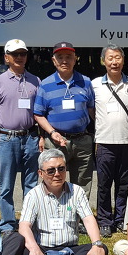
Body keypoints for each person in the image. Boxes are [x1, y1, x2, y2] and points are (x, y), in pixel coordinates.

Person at [18, 149, 108, 255]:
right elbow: (24, 226)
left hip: (71, 251)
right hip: (44, 251)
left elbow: (89, 219)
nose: (57, 174)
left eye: (61, 169)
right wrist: (35, 249)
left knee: (102, 249)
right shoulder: (33, 195)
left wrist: (96, 244)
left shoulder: (77, 191)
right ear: (40, 173)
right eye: (51, 171)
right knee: (23, 249)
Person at [0, 39, 41, 232]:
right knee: (6, 184)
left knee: (31, 183)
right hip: (7, 138)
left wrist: (42, 136)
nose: (19, 57)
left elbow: (40, 112)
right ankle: (8, 223)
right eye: (15, 54)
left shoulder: (36, 81)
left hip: (31, 137)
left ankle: (28, 221)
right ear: (6, 58)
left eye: (22, 54)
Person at [33, 41, 96, 198]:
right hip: (56, 141)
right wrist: (51, 132)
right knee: (53, 181)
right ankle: (53, 210)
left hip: (82, 140)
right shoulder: (45, 85)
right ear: (54, 61)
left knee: (83, 183)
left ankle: (80, 213)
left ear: (75, 59)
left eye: (68, 57)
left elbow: (92, 110)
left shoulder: (86, 82)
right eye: (60, 57)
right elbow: (38, 114)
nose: (64, 61)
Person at [92, 43, 128, 237]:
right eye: (110, 58)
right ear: (104, 61)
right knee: (104, 184)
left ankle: (121, 218)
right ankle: (104, 220)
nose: (114, 62)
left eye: (118, 57)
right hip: (104, 141)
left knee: (123, 184)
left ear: (123, 61)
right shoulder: (95, 85)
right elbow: (91, 110)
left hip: (126, 141)